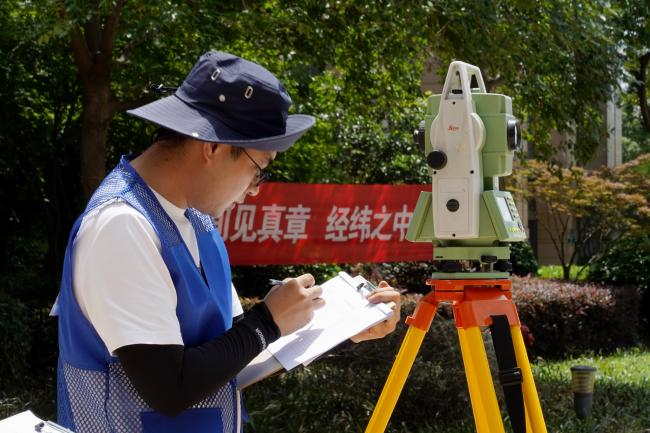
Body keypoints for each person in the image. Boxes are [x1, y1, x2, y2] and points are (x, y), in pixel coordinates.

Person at [53, 51, 401, 433]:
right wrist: (267, 321)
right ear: (213, 147)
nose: (255, 190)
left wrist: (343, 329)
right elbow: (169, 389)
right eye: (258, 170)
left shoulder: (197, 221)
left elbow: (235, 354)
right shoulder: (121, 226)